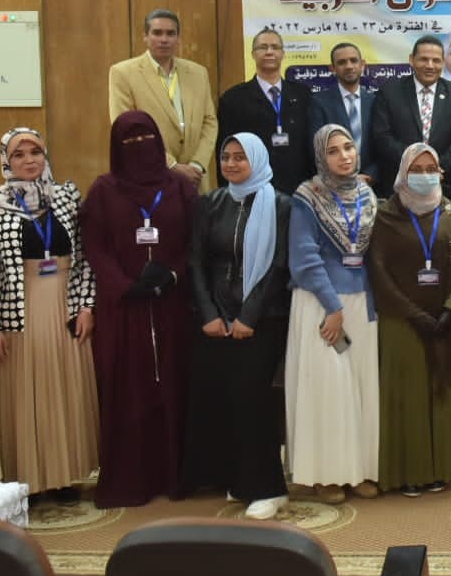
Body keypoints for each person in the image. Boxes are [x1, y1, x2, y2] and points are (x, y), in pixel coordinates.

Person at [0, 128, 99, 504]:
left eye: (36, 152)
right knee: (23, 391)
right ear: (5, 161)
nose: (29, 160)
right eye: (19, 154)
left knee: (64, 387)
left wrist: (86, 305)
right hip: (18, 310)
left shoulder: (66, 196)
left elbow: (85, 257)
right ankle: (27, 477)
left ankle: (63, 475)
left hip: (64, 305)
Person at [81, 112, 197, 508]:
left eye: (145, 138)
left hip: (172, 305)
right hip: (124, 311)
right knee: (129, 390)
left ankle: (177, 476)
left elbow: (194, 241)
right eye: (129, 142)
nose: (139, 148)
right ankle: (132, 479)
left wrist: (173, 275)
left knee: (175, 385)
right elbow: (94, 246)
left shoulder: (179, 187)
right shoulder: (103, 191)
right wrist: (124, 286)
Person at [182, 134, 292, 519]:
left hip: (263, 320)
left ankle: (269, 488)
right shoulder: (210, 203)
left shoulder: (280, 205)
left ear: (257, 160)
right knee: (226, 400)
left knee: (253, 400)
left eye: (240, 157)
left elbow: (279, 266)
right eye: (225, 157)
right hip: (217, 319)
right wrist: (209, 313)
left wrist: (249, 316)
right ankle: (240, 480)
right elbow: (196, 261)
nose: (230, 164)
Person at [369, 144, 451, 497]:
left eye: (431, 168)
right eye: (416, 169)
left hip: (445, 320)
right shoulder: (386, 215)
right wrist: (414, 315)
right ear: (402, 173)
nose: (425, 174)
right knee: (409, 397)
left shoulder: (449, 212)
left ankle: (445, 468)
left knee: (442, 391)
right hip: (401, 321)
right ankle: (410, 473)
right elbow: (378, 272)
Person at [287, 125, 380, 504]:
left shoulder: (367, 194)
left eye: (348, 147)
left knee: (358, 388)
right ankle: (325, 474)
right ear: (320, 157)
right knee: (328, 390)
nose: (344, 156)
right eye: (333, 151)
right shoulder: (307, 196)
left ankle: (357, 471)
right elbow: (304, 257)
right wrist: (333, 306)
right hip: (321, 303)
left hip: (361, 300)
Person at [107, 9, 218, 190]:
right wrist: (171, 166)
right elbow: (126, 129)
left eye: (170, 33)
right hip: (151, 178)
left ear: (178, 38)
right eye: (157, 33)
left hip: (195, 179)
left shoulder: (198, 72)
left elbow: (209, 122)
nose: (164, 39)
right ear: (145, 37)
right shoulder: (123, 73)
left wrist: (197, 164)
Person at [215, 28, 322, 194]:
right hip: (253, 188)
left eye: (275, 47)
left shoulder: (303, 94)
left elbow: (312, 142)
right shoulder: (233, 98)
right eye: (263, 47)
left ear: (283, 54)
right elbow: (224, 148)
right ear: (253, 54)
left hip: (300, 188)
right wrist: (230, 192)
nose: (269, 52)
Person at [369, 35, 451, 197]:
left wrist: (434, 169)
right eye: (424, 59)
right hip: (400, 184)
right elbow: (382, 136)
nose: (430, 66)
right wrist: (413, 165)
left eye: (436, 60)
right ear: (412, 60)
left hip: (445, 183)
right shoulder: (389, 92)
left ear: (443, 62)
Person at [315, 42, 378, 187]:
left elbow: (382, 145)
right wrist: (343, 178)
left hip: (370, 185)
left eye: (353, 60)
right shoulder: (319, 103)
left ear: (362, 65)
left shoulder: (376, 101)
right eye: (342, 62)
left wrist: (369, 176)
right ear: (332, 68)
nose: (349, 66)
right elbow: (317, 148)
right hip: (333, 185)